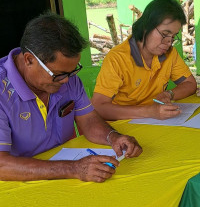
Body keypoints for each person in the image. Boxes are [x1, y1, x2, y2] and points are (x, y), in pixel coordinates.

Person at [0, 13, 142, 182]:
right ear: (29, 60)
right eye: (59, 74)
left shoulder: (67, 79)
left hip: (66, 178)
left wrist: (114, 137)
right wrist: (72, 168)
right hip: (16, 187)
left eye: (72, 71)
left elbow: (88, 120)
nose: (67, 80)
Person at [92, 0, 197, 121]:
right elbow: (99, 107)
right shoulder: (118, 58)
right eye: (165, 34)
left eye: (173, 37)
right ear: (146, 26)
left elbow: (190, 84)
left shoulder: (169, 54)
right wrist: (150, 112)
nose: (168, 42)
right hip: (122, 126)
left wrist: (169, 94)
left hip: (154, 122)